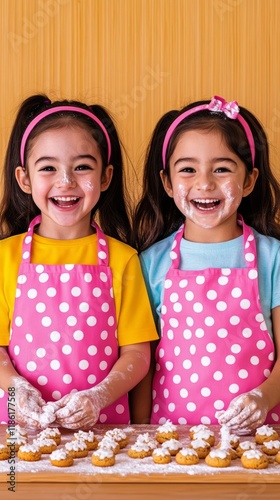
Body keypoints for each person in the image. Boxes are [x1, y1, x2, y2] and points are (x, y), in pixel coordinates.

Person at [0, 94, 158, 430]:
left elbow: (138, 356)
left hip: (103, 429)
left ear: (105, 177)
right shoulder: (4, 258)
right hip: (16, 429)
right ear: (24, 178)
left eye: (82, 166)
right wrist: (16, 387)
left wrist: (98, 396)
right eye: (48, 168)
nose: (66, 181)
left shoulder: (123, 259)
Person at [133, 95, 280, 432]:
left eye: (222, 168)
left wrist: (263, 398)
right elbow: (144, 365)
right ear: (168, 183)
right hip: (170, 440)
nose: (204, 183)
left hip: (260, 439)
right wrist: (138, 431)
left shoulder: (273, 258)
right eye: (188, 169)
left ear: (249, 180)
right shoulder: (149, 263)